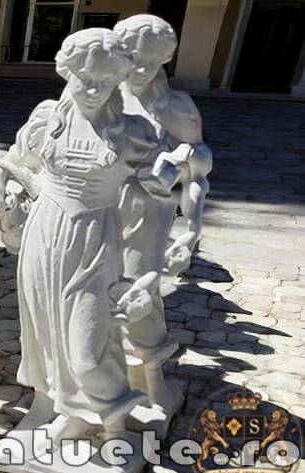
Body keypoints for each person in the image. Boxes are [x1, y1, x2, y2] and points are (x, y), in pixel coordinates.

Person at [0, 28, 174, 441]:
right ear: (67, 72)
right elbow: (17, 158)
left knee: (89, 347)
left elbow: (158, 192)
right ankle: (63, 409)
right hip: (43, 233)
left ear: (119, 78)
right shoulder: (48, 119)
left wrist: (170, 178)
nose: (94, 89)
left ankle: (113, 424)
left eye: (106, 80)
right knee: (43, 331)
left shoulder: (132, 132)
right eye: (85, 78)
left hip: (93, 241)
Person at [115, 14, 212, 411]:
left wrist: (191, 229)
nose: (141, 66)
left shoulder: (177, 106)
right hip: (97, 210)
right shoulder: (101, 95)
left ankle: (151, 382)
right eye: (134, 56)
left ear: (166, 59)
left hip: (148, 213)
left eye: (152, 59)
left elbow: (201, 168)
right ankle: (101, 377)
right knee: (95, 293)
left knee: (141, 290)